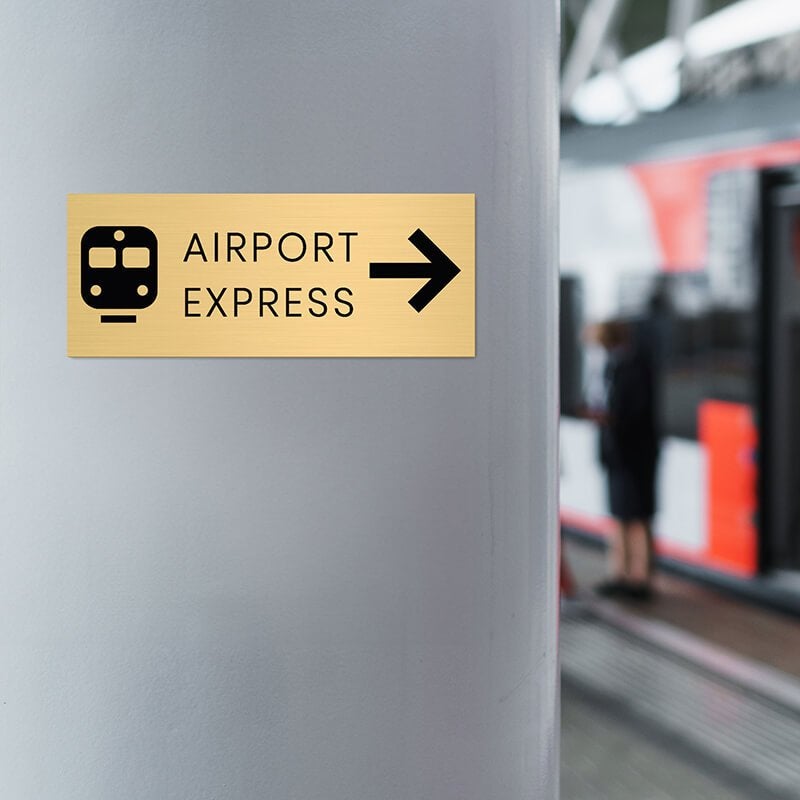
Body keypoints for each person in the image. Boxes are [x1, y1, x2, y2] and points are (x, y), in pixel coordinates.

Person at [592, 319, 659, 600]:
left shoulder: (635, 366)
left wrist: (609, 419)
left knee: (637, 516)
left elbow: (634, 413)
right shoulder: (614, 366)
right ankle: (620, 573)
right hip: (618, 456)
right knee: (619, 515)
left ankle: (639, 578)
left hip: (635, 456)